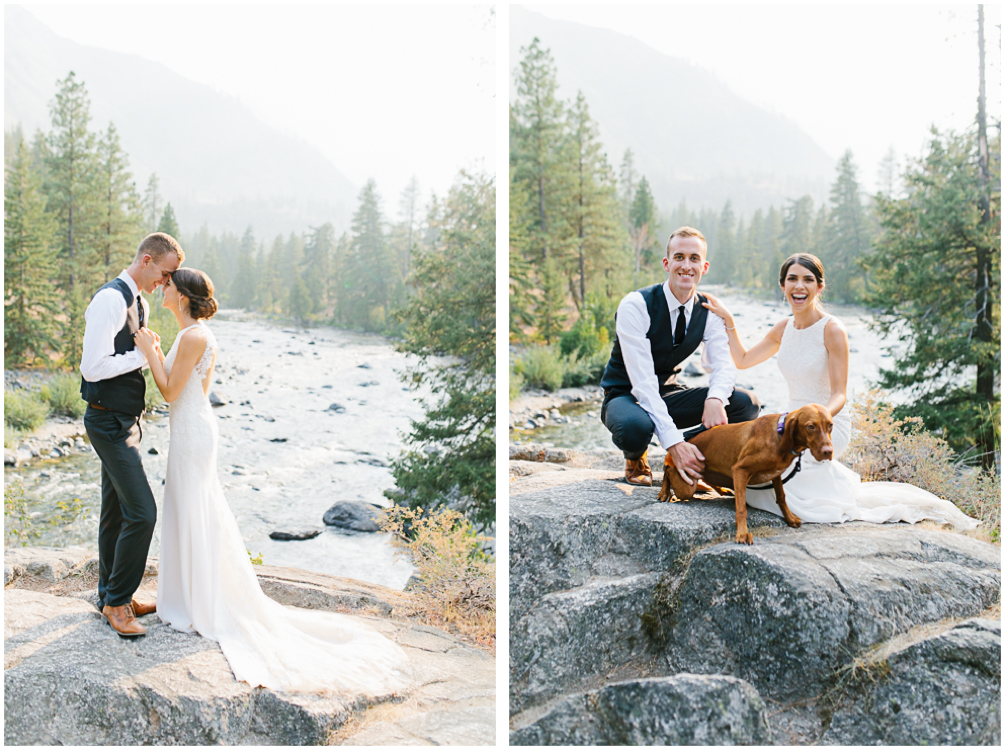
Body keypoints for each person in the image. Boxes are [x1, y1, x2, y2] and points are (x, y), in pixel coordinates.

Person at [133, 268, 407, 695]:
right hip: (194, 427)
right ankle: (184, 597)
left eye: (168, 284)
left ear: (182, 296)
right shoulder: (197, 335)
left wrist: (150, 351)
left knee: (193, 509)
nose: (162, 288)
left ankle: (194, 603)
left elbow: (170, 392)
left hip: (191, 432)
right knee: (192, 509)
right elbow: (196, 391)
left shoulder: (192, 337)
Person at [701, 253, 980, 530]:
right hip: (791, 427)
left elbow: (839, 395)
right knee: (754, 477)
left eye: (808, 280)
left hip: (826, 425)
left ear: (819, 287)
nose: (799, 286)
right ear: (783, 285)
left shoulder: (832, 329)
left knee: (783, 495)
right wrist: (728, 318)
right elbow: (743, 359)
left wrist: (815, 418)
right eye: (792, 279)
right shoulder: (783, 328)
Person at [599, 226, 761, 486]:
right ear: (667, 263)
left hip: (668, 392)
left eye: (694, 258)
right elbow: (642, 383)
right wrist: (672, 442)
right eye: (679, 257)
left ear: (704, 267)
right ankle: (636, 456)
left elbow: (723, 364)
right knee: (635, 428)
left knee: (745, 403)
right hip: (625, 395)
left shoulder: (708, 310)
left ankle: (693, 453)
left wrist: (716, 398)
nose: (687, 265)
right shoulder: (635, 305)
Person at [80, 232, 183, 637]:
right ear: (146, 261)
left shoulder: (138, 301)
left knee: (117, 511)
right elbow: (92, 367)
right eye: (165, 272)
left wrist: (146, 349)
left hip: (127, 421)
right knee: (143, 512)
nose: (166, 282)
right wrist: (143, 354)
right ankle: (118, 603)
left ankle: (111, 593)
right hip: (106, 421)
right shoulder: (109, 300)